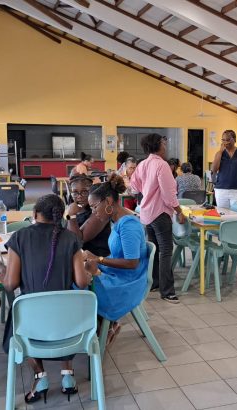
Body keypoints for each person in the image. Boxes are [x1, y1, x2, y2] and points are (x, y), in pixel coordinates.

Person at [1, 194, 92, 404]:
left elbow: (11, 284)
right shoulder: (71, 239)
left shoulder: (20, 237)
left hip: (32, 323)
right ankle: (68, 376)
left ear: (34, 214)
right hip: (67, 323)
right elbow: (81, 282)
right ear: (60, 215)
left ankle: (40, 376)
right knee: (62, 309)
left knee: (21, 321)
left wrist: (2, 276)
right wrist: (88, 271)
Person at [83, 175, 150, 343]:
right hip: (118, 274)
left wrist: (98, 259)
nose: (94, 212)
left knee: (83, 286)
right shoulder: (117, 220)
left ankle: (100, 327)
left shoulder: (128, 226)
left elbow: (132, 263)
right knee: (82, 275)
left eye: (95, 207)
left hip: (128, 282)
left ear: (108, 201)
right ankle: (101, 326)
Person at [131, 133, 186, 303]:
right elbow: (169, 195)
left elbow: (134, 186)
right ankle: (167, 291)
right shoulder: (162, 165)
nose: (165, 146)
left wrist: (148, 191)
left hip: (147, 213)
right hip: (160, 213)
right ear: (157, 145)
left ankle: (155, 283)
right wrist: (179, 211)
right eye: (163, 143)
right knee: (166, 251)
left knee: (154, 250)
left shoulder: (142, 164)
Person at [66, 175, 111, 257]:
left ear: (91, 192)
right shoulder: (75, 209)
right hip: (79, 257)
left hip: (97, 258)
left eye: (84, 192)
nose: (79, 196)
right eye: (75, 192)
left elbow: (78, 241)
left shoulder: (99, 210)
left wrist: (71, 216)